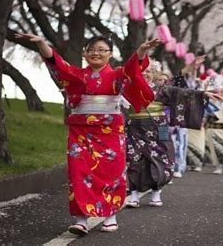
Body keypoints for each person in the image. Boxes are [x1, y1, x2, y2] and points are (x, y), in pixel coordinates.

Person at [15, 32, 159, 235]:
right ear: (84, 54)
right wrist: (41, 43)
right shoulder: (77, 74)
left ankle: (110, 216)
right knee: (78, 173)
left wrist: (143, 49)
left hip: (109, 131)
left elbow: (133, 68)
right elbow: (57, 63)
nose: (96, 53)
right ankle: (81, 219)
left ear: (110, 54)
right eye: (91, 50)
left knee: (112, 173)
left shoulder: (117, 74)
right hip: (80, 132)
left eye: (101, 50)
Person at [125, 60, 222, 207]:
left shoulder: (162, 88)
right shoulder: (128, 87)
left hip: (160, 127)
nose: (145, 73)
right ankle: (133, 195)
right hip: (134, 127)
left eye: (148, 71)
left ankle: (156, 193)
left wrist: (202, 94)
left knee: (163, 157)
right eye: (141, 70)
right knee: (135, 160)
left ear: (155, 74)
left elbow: (181, 92)